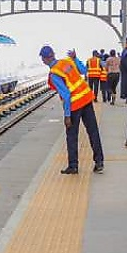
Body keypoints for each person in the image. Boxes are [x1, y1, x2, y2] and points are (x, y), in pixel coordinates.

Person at [40, 45, 104, 174]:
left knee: (72, 136)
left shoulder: (54, 74)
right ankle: (99, 161)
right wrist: (75, 58)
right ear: (53, 54)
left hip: (75, 104)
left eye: (42, 58)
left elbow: (66, 95)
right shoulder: (67, 61)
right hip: (86, 99)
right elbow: (84, 70)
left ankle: (73, 166)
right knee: (93, 131)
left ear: (45, 59)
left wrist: (67, 115)